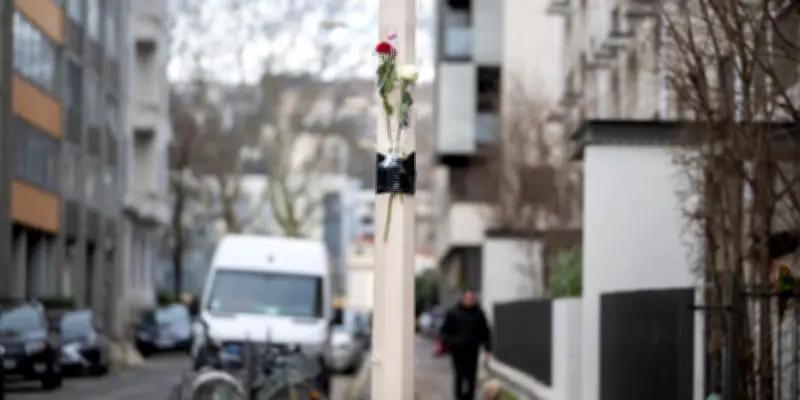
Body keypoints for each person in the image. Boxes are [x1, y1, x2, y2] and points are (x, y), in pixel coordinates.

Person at [439, 289, 492, 400]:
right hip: (457, 350)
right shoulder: (453, 313)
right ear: (462, 299)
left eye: (472, 299)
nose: (470, 301)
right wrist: (450, 342)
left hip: (472, 349)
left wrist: (487, 348)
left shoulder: (478, 313)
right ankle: (458, 397)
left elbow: (485, 331)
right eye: (467, 298)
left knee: (471, 377)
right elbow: (444, 332)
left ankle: (469, 397)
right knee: (459, 375)